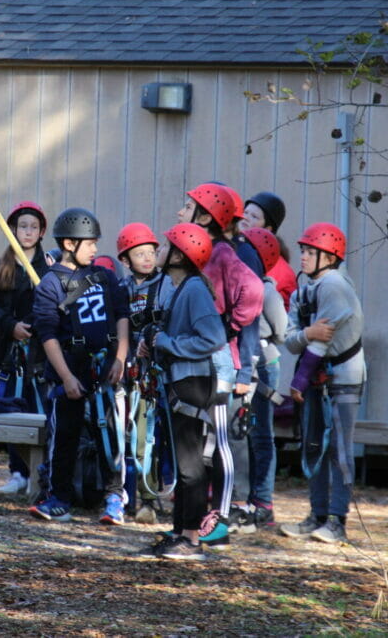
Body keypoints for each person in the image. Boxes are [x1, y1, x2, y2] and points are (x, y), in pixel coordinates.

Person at [30, 207, 130, 525]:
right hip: (67, 373)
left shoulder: (104, 276)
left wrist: (120, 358)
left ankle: (115, 498)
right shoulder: (50, 284)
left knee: (111, 435)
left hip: (105, 371)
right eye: (90, 243)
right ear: (70, 244)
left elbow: (123, 314)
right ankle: (59, 498)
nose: (96, 249)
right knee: (64, 436)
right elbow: (47, 335)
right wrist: (66, 377)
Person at [179, 183, 264, 546]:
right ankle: (193, 520)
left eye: (187, 207)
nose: (180, 213)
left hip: (220, 364)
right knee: (198, 448)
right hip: (198, 362)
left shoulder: (224, 254)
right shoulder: (202, 252)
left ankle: (224, 517)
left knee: (221, 442)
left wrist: (230, 331)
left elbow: (254, 295)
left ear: (205, 216)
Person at [138, 223, 226, 561]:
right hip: (179, 383)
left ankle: (191, 539)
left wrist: (169, 343)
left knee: (191, 465)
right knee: (180, 462)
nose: (158, 250)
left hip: (192, 385)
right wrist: (152, 343)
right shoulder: (175, 287)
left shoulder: (193, 290)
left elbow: (212, 338)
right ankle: (179, 533)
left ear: (179, 255)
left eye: (165, 246)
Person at [279, 222, 365, 544]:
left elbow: (322, 342)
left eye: (310, 252)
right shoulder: (305, 290)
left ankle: (337, 520)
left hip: (342, 376)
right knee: (313, 444)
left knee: (340, 450)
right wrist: (307, 334)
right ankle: (316, 514)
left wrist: (299, 377)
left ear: (329, 256)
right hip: (317, 376)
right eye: (302, 250)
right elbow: (291, 341)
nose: (303, 256)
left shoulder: (334, 285)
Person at [0, 201, 49, 494]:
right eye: (23, 226)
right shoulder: (1, 267)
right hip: (6, 355)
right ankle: (16, 473)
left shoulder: (49, 267)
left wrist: (30, 328)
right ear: (13, 230)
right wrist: (11, 326)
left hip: (38, 357)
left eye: (34, 227)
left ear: (42, 231)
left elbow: (52, 305)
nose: (28, 232)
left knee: (37, 412)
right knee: (9, 412)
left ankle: (39, 473)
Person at [237, 227, 288, 532]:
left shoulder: (268, 290)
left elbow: (281, 331)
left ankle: (264, 502)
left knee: (261, 435)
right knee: (242, 433)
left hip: (264, 366)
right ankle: (245, 498)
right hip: (245, 363)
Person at [117, 222, 164, 524]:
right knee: (122, 436)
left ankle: (149, 499)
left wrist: (150, 341)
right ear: (125, 260)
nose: (147, 258)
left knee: (145, 437)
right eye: (139, 253)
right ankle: (121, 496)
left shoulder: (163, 287)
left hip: (149, 374)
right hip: (124, 372)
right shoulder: (120, 290)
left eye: (151, 252)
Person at [241, 191, 297, 309]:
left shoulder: (280, 270)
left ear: (268, 229)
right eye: (245, 212)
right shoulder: (234, 250)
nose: (245, 218)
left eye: (254, 216)